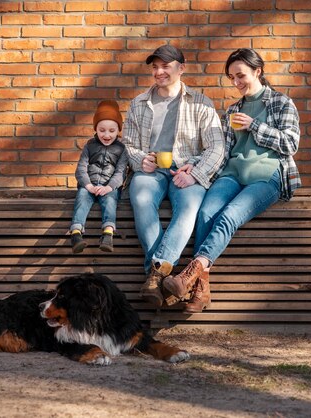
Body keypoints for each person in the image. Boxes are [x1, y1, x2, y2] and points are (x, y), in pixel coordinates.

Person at [162, 48, 301, 313]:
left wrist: (255, 126)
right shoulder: (232, 109)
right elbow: (223, 151)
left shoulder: (281, 103)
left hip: (266, 175)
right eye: (232, 78)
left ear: (257, 71)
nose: (236, 83)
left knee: (229, 215)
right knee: (206, 212)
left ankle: (189, 277)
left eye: (241, 76)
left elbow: (290, 144)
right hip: (232, 174)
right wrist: (195, 166)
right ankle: (200, 290)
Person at [122, 44, 225, 308]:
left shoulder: (201, 103)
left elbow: (216, 147)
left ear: (182, 68)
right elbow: (129, 145)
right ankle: (162, 271)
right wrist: (138, 159)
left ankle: (155, 275)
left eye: (165, 66)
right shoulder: (138, 104)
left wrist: (197, 173)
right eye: (155, 67)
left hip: (187, 171)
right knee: (142, 199)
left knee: (189, 207)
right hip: (151, 171)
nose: (159, 72)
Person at [69, 100, 128, 254]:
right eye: (102, 130)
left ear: (118, 131)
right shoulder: (89, 146)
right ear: (95, 129)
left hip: (109, 187)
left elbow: (121, 172)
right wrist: (87, 185)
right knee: (82, 197)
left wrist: (109, 187)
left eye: (111, 130)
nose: (106, 135)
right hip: (89, 185)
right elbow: (81, 168)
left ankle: (108, 234)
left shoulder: (121, 149)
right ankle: (76, 233)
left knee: (110, 200)